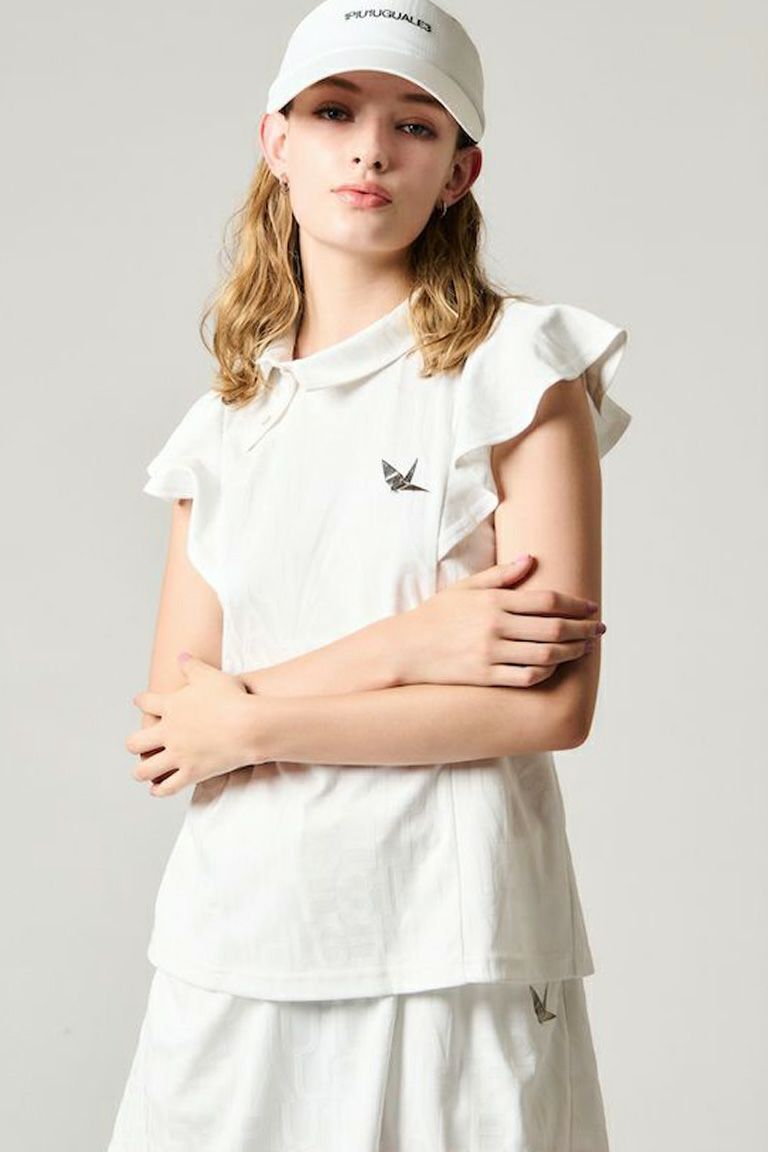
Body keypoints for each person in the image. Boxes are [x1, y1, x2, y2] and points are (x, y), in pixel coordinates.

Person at [108, 1, 631, 1148]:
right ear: (276, 142)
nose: (372, 149)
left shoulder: (521, 371)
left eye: (416, 124)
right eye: (334, 112)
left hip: (452, 949)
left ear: (459, 172)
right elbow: (173, 731)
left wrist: (252, 722)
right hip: (234, 945)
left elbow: (550, 706)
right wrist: (411, 646)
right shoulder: (224, 427)